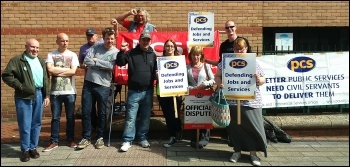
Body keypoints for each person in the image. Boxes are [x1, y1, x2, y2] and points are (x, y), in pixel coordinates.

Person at [214, 38, 267, 166]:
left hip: (251, 102)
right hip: (232, 100)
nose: (239, 51)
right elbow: (217, 75)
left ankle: (253, 154)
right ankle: (237, 150)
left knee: (253, 127)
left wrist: (259, 79)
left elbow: (263, 79)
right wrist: (219, 83)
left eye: (241, 48)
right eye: (236, 49)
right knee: (235, 127)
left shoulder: (253, 62)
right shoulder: (226, 61)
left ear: (246, 48)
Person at [1, 38, 50, 162]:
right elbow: (6, 75)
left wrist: (47, 95)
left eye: (37, 47)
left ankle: (33, 147)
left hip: (39, 94)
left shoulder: (40, 61)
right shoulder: (18, 60)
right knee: (25, 124)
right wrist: (20, 86)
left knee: (36, 123)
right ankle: (25, 150)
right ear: (26, 47)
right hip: (23, 97)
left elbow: (46, 79)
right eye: (32, 47)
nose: (35, 50)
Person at [76, 27, 118, 150]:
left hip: (104, 85)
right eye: (107, 38)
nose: (109, 41)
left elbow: (111, 66)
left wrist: (96, 61)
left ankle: (100, 137)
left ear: (114, 39)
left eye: (111, 39)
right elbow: (87, 60)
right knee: (86, 111)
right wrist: (100, 63)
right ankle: (86, 137)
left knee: (102, 112)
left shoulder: (115, 52)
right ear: (103, 38)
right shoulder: (96, 47)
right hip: (89, 83)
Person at [116, 32, 157, 152]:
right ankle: (127, 140)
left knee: (145, 117)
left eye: (148, 40)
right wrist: (121, 51)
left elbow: (155, 71)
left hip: (148, 91)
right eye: (143, 40)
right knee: (130, 117)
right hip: (134, 91)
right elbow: (120, 62)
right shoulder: (132, 53)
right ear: (139, 40)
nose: (146, 42)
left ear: (150, 41)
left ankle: (142, 138)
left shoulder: (153, 55)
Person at [42, 33, 80, 152]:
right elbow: (49, 69)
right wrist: (66, 71)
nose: (65, 43)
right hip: (55, 93)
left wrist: (57, 72)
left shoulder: (73, 55)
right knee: (55, 118)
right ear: (57, 41)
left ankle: (70, 139)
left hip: (70, 92)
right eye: (62, 41)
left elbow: (73, 71)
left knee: (70, 117)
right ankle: (54, 141)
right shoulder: (51, 55)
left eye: (67, 41)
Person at [186, 45, 215, 148]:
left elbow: (213, 80)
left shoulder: (206, 67)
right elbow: (183, 82)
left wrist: (205, 84)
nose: (196, 57)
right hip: (192, 96)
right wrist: (191, 87)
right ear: (191, 55)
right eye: (194, 54)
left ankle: (203, 139)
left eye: (198, 55)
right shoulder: (187, 67)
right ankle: (194, 139)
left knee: (204, 116)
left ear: (201, 56)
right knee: (194, 116)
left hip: (205, 95)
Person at [157, 40, 184, 148]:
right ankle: (172, 136)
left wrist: (180, 89)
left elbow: (182, 75)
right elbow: (156, 76)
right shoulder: (159, 61)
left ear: (175, 48)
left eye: (172, 46)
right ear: (164, 48)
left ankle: (178, 130)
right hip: (162, 92)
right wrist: (157, 75)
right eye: (167, 46)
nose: (169, 48)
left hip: (176, 92)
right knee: (168, 115)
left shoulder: (180, 60)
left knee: (174, 115)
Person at [78, 28, 99, 132]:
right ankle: (92, 127)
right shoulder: (83, 48)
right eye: (88, 36)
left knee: (103, 107)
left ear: (97, 36)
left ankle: (101, 129)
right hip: (89, 80)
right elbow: (79, 64)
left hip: (102, 80)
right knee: (89, 106)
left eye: (92, 35)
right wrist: (84, 65)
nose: (90, 37)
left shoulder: (102, 45)